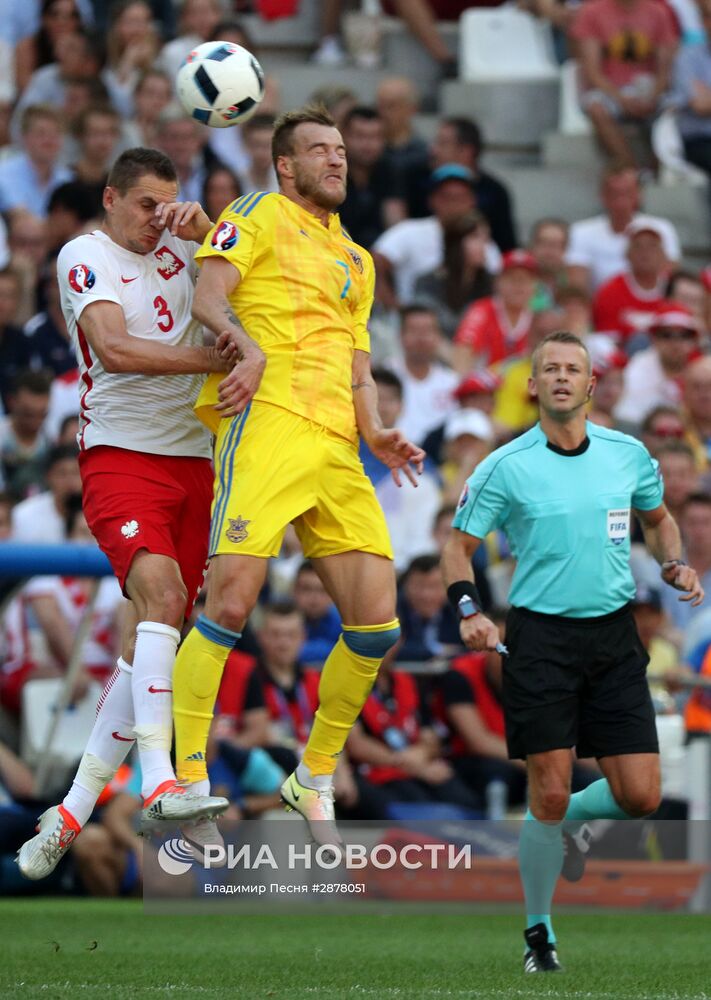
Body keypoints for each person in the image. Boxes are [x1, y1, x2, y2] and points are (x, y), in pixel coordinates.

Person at [169, 105, 424, 852]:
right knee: (231, 604)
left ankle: (311, 776)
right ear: (286, 165)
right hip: (270, 423)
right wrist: (243, 347)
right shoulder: (255, 211)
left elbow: (358, 362)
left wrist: (375, 428)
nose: (336, 161)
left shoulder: (358, 260)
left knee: (378, 624)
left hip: (339, 446)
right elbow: (210, 295)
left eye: (342, 150)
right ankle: (186, 779)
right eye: (319, 150)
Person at [442, 330, 703, 972]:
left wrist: (675, 562)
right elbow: (457, 547)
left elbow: (660, 517)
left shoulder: (628, 453)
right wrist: (470, 609)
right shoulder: (505, 465)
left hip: (614, 636)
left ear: (592, 385)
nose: (561, 377)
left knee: (642, 795)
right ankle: (539, 935)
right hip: (539, 639)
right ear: (532, 385)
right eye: (549, 369)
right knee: (548, 794)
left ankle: (571, 830)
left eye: (573, 369)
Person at [16, 146, 235, 883]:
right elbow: (114, 350)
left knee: (158, 638)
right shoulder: (84, 254)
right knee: (163, 600)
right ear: (110, 199)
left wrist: (209, 230)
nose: (156, 219)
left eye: (166, 204)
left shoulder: (184, 242)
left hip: (197, 462)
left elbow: (253, 278)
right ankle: (158, 781)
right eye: (145, 204)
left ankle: (71, 812)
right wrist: (219, 362)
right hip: (121, 455)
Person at [571, 0, 678, 168]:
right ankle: (629, 167)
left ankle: (658, 171)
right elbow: (592, 72)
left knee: (675, 110)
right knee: (597, 108)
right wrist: (622, 99)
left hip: (648, 89)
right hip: (610, 90)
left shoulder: (658, 12)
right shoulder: (591, 12)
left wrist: (653, 96)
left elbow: (665, 68)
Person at [565, 166, 680, 293]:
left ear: (638, 195)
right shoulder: (581, 231)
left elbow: (668, 278)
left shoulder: (661, 228)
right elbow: (577, 287)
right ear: (603, 196)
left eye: (627, 193)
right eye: (615, 194)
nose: (621, 201)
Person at [615, 301, 700, 426]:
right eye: (666, 335)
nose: (675, 343)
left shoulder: (701, 369)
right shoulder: (638, 368)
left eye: (684, 335)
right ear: (653, 338)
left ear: (694, 340)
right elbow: (628, 417)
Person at [591, 218, 669, 343]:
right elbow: (606, 341)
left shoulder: (674, 288)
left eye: (652, 246)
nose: (645, 253)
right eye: (638, 246)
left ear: (663, 254)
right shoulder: (610, 291)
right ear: (627, 254)